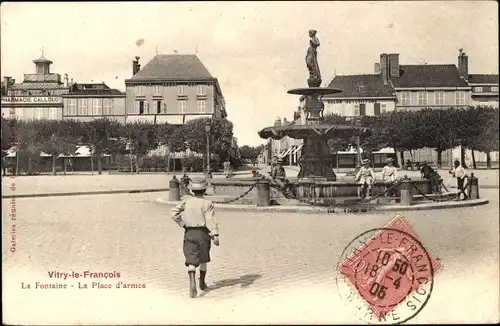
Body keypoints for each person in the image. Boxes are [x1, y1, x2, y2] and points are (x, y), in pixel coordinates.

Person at [171, 176, 220, 298]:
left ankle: (192, 276)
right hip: (203, 233)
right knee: (203, 258)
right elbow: (210, 219)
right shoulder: (207, 203)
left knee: (192, 258)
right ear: (204, 190)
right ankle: (202, 282)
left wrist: (182, 223)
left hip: (189, 232)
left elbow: (174, 212)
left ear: (192, 190)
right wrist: (214, 234)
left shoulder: (186, 201)